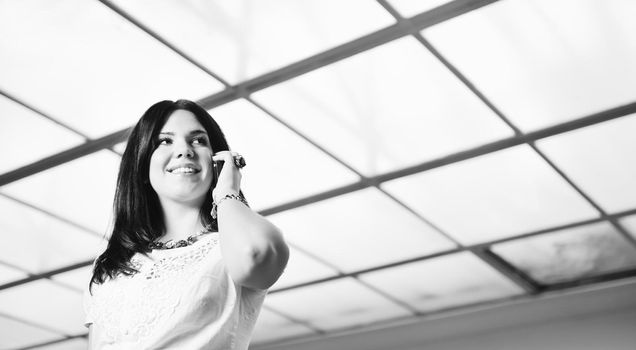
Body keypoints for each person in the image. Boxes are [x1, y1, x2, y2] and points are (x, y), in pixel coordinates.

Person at [84, 99, 289, 349]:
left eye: (199, 140)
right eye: (164, 141)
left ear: (217, 161)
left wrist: (226, 190)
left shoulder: (229, 246)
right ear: (142, 162)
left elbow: (256, 254)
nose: (184, 150)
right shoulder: (112, 263)